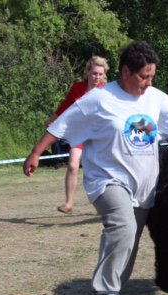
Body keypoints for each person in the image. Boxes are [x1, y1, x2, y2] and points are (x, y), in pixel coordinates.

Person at [23, 41, 168, 295]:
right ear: (125, 71)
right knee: (123, 226)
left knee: (129, 237)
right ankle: (107, 290)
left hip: (143, 184)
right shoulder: (100, 99)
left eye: (151, 76)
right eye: (143, 76)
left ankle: (114, 287)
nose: (148, 82)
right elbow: (62, 124)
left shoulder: (154, 97)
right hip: (107, 180)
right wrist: (36, 153)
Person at [46, 56, 109, 214]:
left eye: (100, 74)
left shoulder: (107, 92)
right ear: (88, 72)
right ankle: (68, 204)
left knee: (102, 170)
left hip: (99, 135)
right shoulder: (77, 88)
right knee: (73, 165)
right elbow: (66, 106)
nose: (97, 77)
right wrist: (52, 120)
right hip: (80, 133)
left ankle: (105, 204)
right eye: (94, 73)